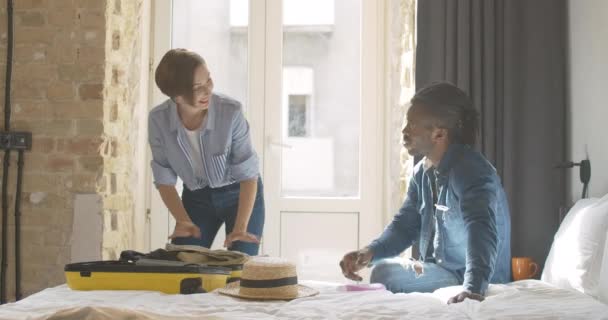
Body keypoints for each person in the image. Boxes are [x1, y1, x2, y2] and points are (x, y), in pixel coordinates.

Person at [339, 82, 511, 304]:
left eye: (412, 124)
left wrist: (473, 289)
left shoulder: (472, 171)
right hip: (441, 270)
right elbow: (404, 226)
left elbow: (482, 230)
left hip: (478, 278)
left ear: (439, 134)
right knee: (383, 269)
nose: (404, 131)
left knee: (385, 275)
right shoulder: (422, 172)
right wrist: (367, 254)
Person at [148, 48, 264, 256]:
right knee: (185, 263)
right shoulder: (158, 120)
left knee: (239, 266)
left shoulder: (231, 112)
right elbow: (164, 177)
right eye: (197, 87)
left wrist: (240, 229)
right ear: (177, 96)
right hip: (197, 197)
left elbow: (248, 174)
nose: (208, 90)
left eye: (208, 80)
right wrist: (182, 220)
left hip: (239, 192)